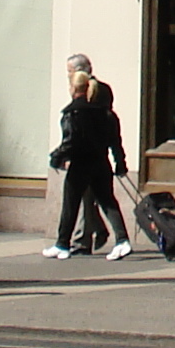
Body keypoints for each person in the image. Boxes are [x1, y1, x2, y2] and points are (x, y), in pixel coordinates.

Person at [47, 62, 131, 260]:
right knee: (108, 202)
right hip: (101, 163)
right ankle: (122, 240)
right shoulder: (106, 114)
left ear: (73, 88)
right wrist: (120, 164)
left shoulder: (73, 114)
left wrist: (56, 157)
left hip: (80, 164)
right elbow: (115, 142)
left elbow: (70, 141)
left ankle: (62, 244)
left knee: (70, 205)